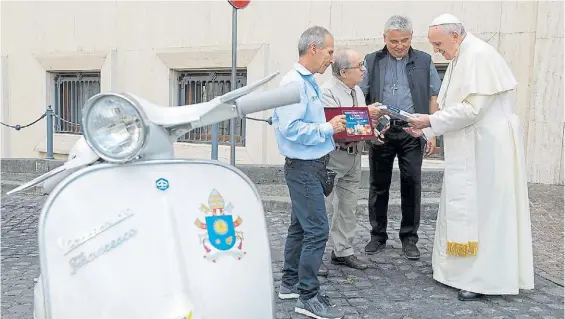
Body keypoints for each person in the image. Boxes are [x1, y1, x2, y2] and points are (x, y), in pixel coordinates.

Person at [405, 13, 535, 301]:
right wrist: (427, 128)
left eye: (438, 44)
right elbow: (453, 108)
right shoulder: (460, 56)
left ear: (455, 35)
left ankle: (484, 278)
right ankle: (457, 271)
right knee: (466, 208)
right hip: (471, 145)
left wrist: (428, 121)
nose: (436, 50)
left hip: (488, 150)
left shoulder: (478, 55)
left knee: (485, 212)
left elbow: (472, 110)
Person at [272, 26, 346, 319]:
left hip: (310, 166)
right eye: (329, 52)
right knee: (317, 230)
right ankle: (308, 296)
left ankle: (290, 284)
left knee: (301, 228)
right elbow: (291, 129)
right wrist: (328, 128)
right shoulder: (294, 84)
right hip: (303, 168)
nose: (331, 58)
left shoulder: (307, 82)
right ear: (313, 49)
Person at [359, 15, 442, 260]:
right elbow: (359, 94)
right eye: (394, 41)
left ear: (411, 38)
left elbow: (433, 97)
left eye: (404, 40)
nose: (399, 45)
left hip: (412, 130)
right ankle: (377, 235)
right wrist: (367, 128)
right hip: (382, 131)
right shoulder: (372, 61)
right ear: (384, 38)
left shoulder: (424, 60)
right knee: (378, 184)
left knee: (412, 184)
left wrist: (431, 131)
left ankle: (409, 238)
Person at [319, 49, 386, 272]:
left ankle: (343, 251)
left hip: (354, 155)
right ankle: (314, 256)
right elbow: (339, 126)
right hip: (333, 156)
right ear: (344, 71)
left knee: (348, 207)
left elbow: (357, 125)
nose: (364, 70)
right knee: (323, 207)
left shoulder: (356, 89)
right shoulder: (327, 91)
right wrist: (365, 114)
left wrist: (372, 132)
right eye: (359, 66)